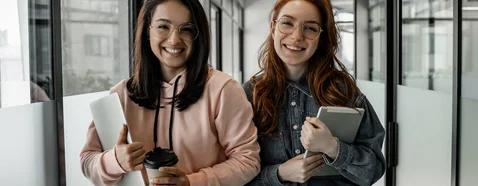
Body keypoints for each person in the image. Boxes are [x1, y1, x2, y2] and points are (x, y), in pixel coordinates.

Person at [80, 0, 260, 185]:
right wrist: (114, 161)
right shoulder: (120, 94)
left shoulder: (223, 89)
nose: (174, 39)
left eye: (186, 29)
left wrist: (192, 182)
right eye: (163, 26)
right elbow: (87, 162)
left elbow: (248, 161)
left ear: (198, 35)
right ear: (147, 31)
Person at [242, 0, 385, 185]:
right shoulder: (248, 94)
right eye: (287, 23)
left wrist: (333, 148)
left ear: (321, 37)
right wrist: (279, 174)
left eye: (310, 28)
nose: (296, 37)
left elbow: (373, 170)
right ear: (273, 28)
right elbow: (234, 175)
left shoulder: (343, 91)